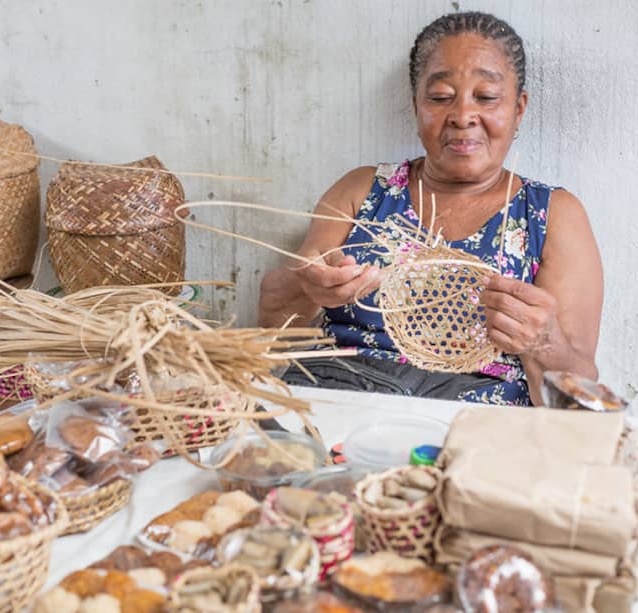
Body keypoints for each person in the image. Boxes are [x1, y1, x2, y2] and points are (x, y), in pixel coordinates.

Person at [258, 12, 602, 406]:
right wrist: (308, 285)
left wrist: (541, 341)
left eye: (486, 97)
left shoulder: (553, 213)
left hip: (474, 423)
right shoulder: (363, 189)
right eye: (440, 98)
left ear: (518, 108)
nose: (462, 116)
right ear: (416, 105)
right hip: (342, 398)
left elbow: (580, 394)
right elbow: (274, 329)